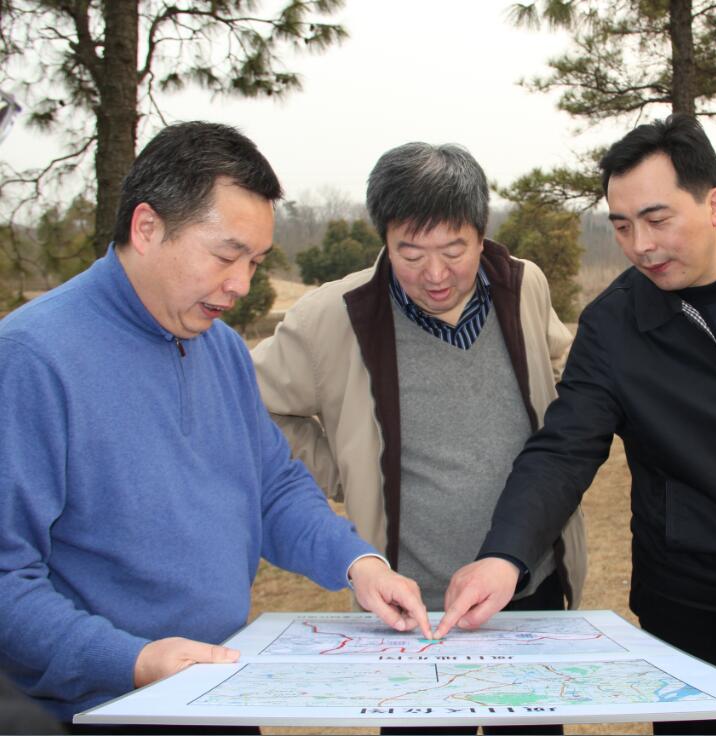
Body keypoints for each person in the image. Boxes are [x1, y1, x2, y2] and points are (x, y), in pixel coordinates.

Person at [0, 121, 431, 728]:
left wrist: (359, 564)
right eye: (227, 256)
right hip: (99, 709)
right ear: (147, 228)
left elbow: (272, 488)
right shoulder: (31, 359)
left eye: (255, 262)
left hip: (218, 690)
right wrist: (134, 661)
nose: (241, 285)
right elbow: (7, 579)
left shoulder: (222, 348)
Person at [438, 114, 716, 736]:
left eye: (657, 219)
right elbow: (563, 449)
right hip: (686, 599)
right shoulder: (613, 324)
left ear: (714, 205)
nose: (640, 245)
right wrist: (504, 555)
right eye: (622, 226)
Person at [250, 142, 586, 734]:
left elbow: (561, 366)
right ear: (384, 238)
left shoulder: (523, 287)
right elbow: (251, 405)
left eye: (454, 250)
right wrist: (343, 467)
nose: (434, 274)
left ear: (482, 233)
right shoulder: (334, 317)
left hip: (526, 591)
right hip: (409, 614)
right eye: (410, 252)